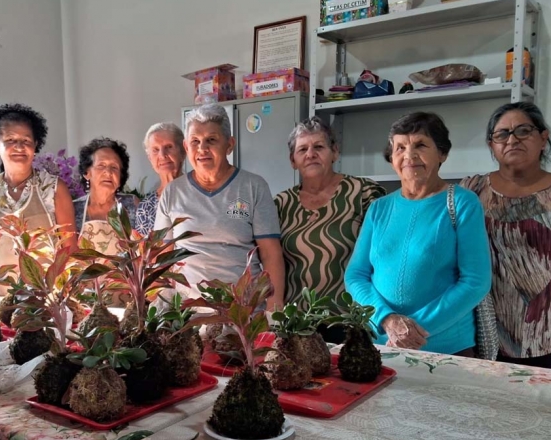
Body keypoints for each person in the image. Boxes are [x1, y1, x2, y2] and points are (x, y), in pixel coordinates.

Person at [345, 112, 491, 355]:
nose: (409, 156)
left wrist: (414, 331)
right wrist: (387, 320)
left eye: (420, 145)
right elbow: (356, 275)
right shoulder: (379, 208)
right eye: (400, 147)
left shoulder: (463, 203)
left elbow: (476, 281)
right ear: (391, 158)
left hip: (447, 349)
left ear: (442, 153)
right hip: (382, 343)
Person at [462, 102, 551, 371]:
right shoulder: (470, 191)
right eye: (502, 134)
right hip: (486, 335)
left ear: (543, 138)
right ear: (492, 145)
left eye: (523, 131)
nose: (512, 139)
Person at [153, 103, 285, 310]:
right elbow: (162, 256)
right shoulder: (172, 192)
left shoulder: (254, 186)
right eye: (195, 141)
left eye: (211, 140)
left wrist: (273, 310)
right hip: (187, 313)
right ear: (187, 147)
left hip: (242, 311)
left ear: (229, 145)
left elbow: (270, 255)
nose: (202, 149)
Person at [275, 116, 385, 342]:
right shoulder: (280, 204)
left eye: (319, 147)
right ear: (292, 160)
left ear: (335, 152)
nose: (310, 154)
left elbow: (385, 256)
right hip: (298, 322)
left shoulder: (364, 193)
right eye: (302, 149)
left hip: (351, 321)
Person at [0, 103, 75, 301]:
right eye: (10, 140)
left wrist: (63, 295)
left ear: (35, 144)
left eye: (26, 140)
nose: (19, 146)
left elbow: (69, 248)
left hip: (44, 301)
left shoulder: (53, 188)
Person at [73, 137, 139, 254]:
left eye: (114, 167)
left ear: (120, 178)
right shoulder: (73, 209)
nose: (108, 172)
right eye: (101, 166)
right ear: (87, 173)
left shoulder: (132, 204)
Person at [135, 122, 185, 235]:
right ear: (150, 158)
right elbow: (143, 250)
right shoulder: (146, 207)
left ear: (183, 152)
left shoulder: (199, 193)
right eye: (155, 150)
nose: (162, 155)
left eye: (169, 147)